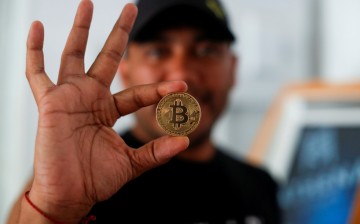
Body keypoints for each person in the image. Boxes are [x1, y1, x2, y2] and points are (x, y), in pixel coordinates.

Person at [9, 0, 281, 223]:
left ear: (232, 69)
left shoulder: (260, 185)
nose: (182, 72)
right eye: (158, 51)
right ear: (125, 71)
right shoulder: (83, 176)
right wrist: (56, 209)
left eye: (206, 49)